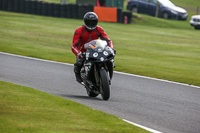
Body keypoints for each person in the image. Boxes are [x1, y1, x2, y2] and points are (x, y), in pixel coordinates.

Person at [71, 12, 114, 84]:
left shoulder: (99, 29)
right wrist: (78, 53)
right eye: (89, 22)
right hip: (83, 52)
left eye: (93, 22)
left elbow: (107, 40)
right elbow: (74, 45)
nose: (91, 24)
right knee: (79, 63)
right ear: (85, 21)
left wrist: (111, 48)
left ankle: (108, 76)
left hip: (96, 50)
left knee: (109, 59)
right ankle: (78, 75)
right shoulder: (79, 30)